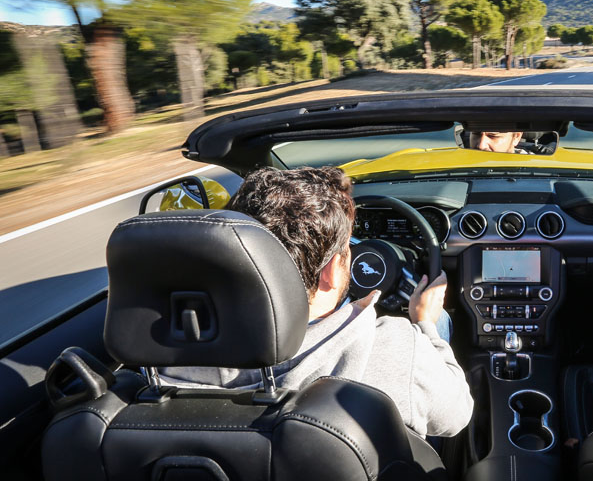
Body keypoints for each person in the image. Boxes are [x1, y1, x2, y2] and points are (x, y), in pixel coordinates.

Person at [160, 166, 474, 438]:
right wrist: (426, 325)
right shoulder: (397, 348)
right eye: (348, 248)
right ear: (331, 272)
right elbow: (456, 416)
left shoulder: (167, 352)